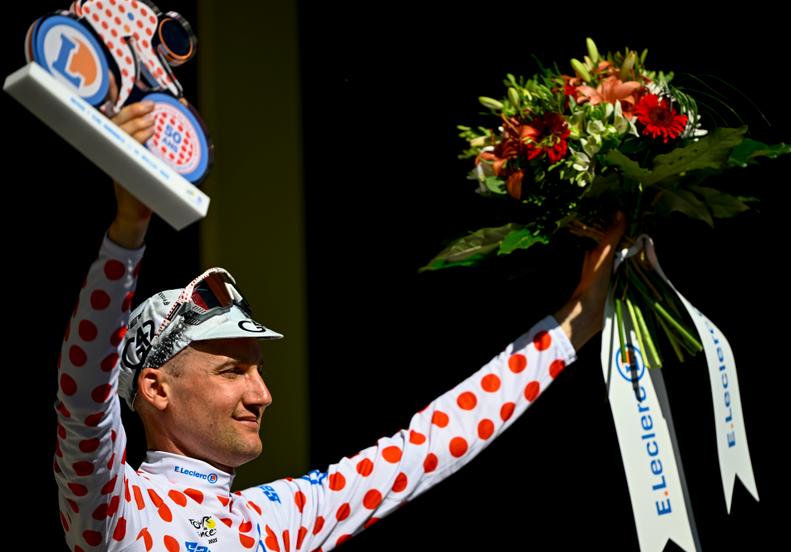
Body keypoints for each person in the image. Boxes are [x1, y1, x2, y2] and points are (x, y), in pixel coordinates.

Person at [53, 96, 627, 551]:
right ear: (155, 388)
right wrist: (127, 232)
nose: (263, 394)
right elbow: (83, 399)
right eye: (233, 370)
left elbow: (429, 443)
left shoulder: (277, 517)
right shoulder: (115, 509)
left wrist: (576, 322)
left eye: (259, 369)